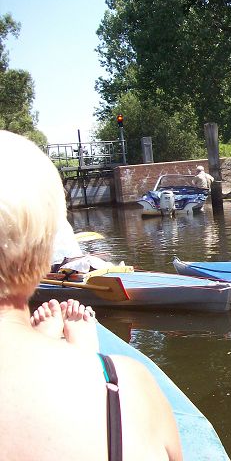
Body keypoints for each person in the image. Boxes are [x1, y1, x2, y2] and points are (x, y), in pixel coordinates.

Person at [0, 130, 182, 460]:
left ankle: (50, 342)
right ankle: (81, 355)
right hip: (104, 395)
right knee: (107, 374)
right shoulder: (131, 386)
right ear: (42, 256)